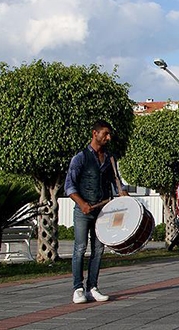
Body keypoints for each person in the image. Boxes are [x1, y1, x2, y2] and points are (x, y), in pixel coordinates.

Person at [65, 120, 127, 304]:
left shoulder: (109, 158)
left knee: (98, 250)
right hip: (83, 211)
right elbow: (69, 186)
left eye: (109, 135)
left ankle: (93, 287)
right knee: (79, 248)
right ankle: (77, 289)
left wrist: (122, 193)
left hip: (103, 211)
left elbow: (116, 182)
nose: (108, 137)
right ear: (95, 133)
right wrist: (82, 203)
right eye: (105, 134)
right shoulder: (80, 158)